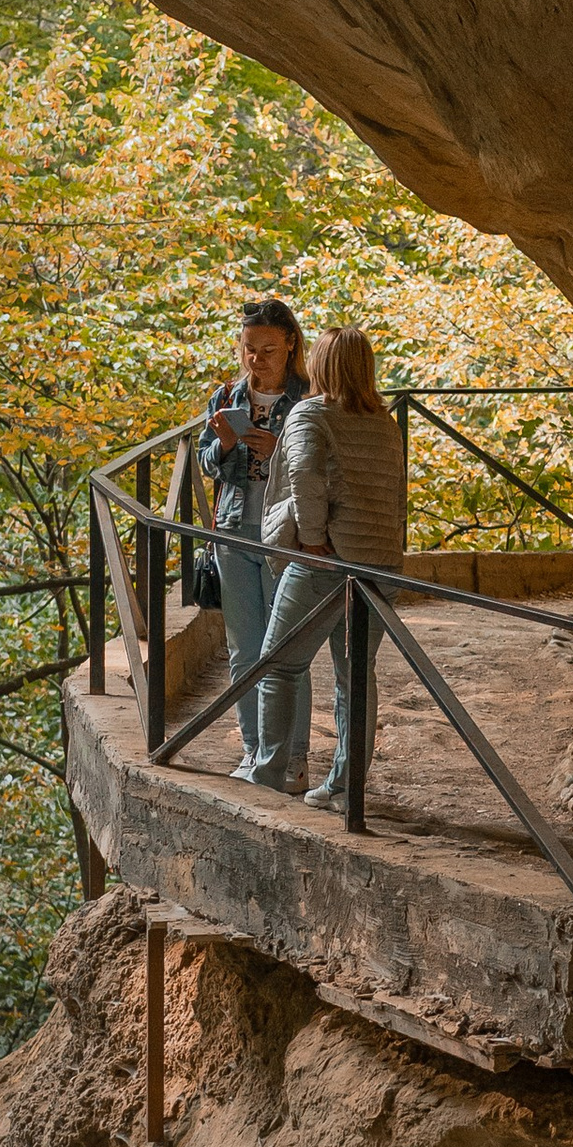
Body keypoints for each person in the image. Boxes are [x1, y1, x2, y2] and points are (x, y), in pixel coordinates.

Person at [246, 325, 409, 808]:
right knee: (356, 676)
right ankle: (344, 786)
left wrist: (313, 540)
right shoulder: (385, 420)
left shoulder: (309, 414)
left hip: (327, 562)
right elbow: (396, 495)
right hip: (380, 565)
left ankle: (268, 776)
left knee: (278, 665)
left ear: (319, 364)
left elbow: (303, 477)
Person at [198, 300, 305, 780]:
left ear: (289, 345)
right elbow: (203, 462)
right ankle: (254, 751)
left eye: (267, 349)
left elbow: (326, 467)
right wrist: (222, 446)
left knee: (286, 649)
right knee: (244, 649)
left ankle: (293, 759)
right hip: (234, 529)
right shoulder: (226, 397)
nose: (256, 360)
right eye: (248, 350)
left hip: (287, 534)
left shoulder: (309, 398)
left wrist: (280, 449)